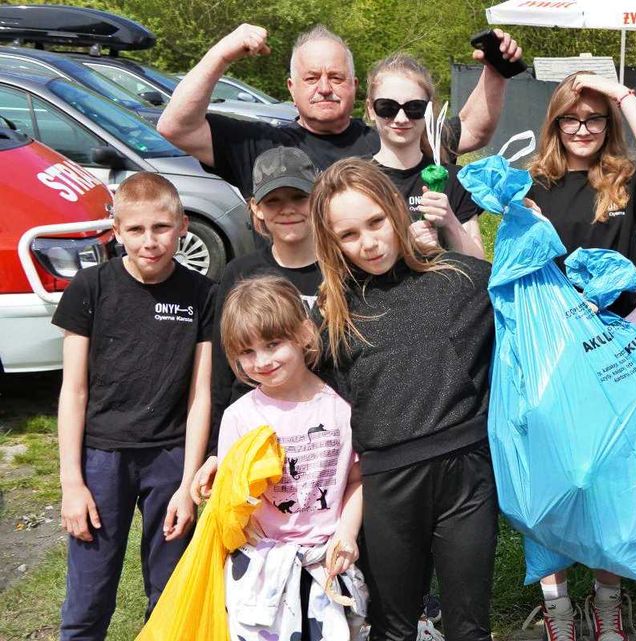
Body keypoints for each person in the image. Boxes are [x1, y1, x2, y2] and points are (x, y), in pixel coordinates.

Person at [310, 158, 498, 641]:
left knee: (469, 627)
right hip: (386, 486)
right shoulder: (334, 315)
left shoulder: (462, 279)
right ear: (331, 242)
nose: (369, 243)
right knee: (393, 628)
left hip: (467, 476)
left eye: (376, 223)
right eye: (349, 235)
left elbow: (546, 303)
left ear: (397, 210)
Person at [525, 70, 636, 640]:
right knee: (558, 471)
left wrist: (622, 94)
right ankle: (557, 602)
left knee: (616, 471)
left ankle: (608, 599)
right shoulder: (533, 184)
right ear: (556, 122)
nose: (582, 128)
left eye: (593, 119)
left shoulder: (624, 179)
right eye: (571, 118)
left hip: (618, 340)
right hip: (555, 343)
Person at [52, 172, 214, 639]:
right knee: (88, 595)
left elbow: (200, 393)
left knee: (170, 592)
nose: (150, 242)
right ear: (116, 230)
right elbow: (73, 390)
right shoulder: (90, 287)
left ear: (182, 225)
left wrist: (188, 483)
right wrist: (71, 483)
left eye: (161, 228)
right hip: (102, 459)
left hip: (170, 459)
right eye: (136, 230)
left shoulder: (202, 294)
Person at [158, 23, 523, 198]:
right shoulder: (259, 144)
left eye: (336, 77)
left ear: (353, 86)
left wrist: (496, 70)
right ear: (291, 88)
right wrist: (223, 52)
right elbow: (176, 126)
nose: (324, 87)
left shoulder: (393, 137)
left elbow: (471, 130)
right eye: (311, 77)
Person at [216, 276, 366, 640]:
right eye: (247, 352)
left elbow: (358, 480)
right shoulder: (239, 417)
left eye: (272, 344)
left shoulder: (341, 407)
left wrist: (346, 533)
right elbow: (230, 501)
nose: (262, 361)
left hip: (328, 561)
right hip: (262, 569)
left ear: (303, 334)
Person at [194, 147, 323, 502]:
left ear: (318, 197)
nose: (287, 209)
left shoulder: (342, 267)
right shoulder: (241, 273)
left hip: (323, 431)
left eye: (298, 196)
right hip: (256, 432)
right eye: (273, 200)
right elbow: (223, 368)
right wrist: (215, 449)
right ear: (256, 208)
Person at [366, 53, 484, 259]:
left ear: (429, 110)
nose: (401, 118)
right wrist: (405, 246)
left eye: (414, 108)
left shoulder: (455, 179)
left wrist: (449, 221)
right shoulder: (356, 180)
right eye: (387, 107)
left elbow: (478, 263)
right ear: (370, 109)